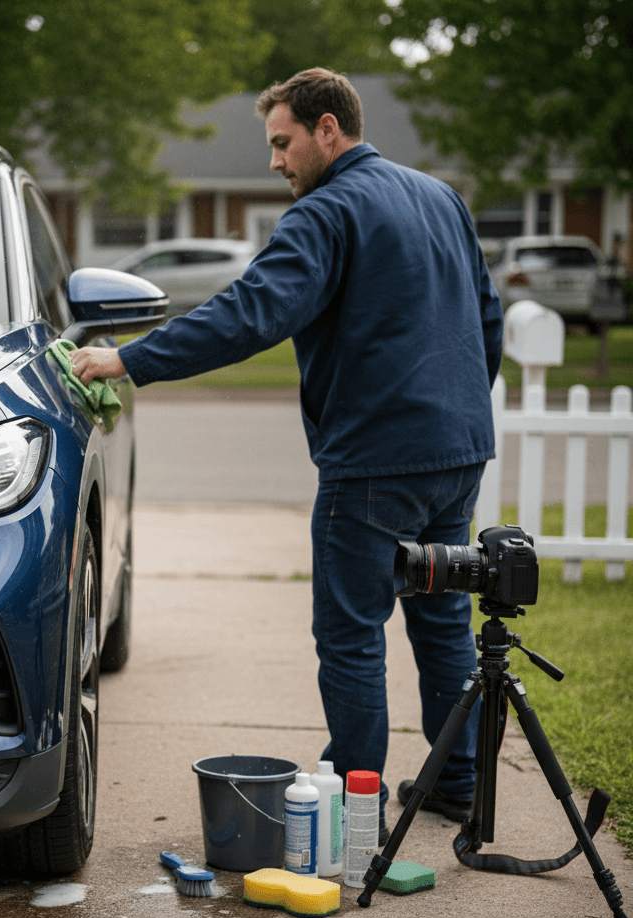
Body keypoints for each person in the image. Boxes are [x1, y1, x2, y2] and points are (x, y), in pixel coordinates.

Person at [71, 68, 504, 838]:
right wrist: (457, 414)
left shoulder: (328, 211)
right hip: (457, 451)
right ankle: (457, 782)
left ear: (327, 129)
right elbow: (487, 318)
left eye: (282, 142)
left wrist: (127, 359)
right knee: (442, 619)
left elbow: (249, 315)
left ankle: (354, 800)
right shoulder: (442, 199)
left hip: (373, 462)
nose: (275, 162)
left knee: (350, 630)